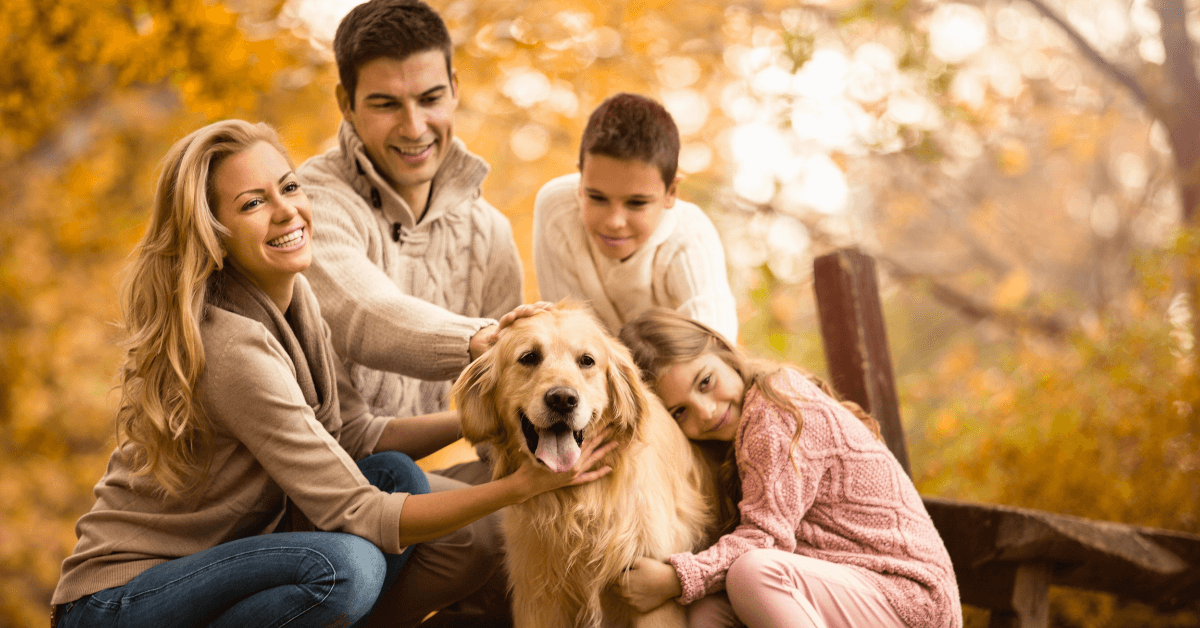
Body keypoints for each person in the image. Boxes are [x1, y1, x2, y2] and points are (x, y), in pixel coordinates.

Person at [49, 119, 615, 628]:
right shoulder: (230, 347)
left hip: (224, 565)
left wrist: (492, 406)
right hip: (120, 601)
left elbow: (352, 437)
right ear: (213, 232)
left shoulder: (293, 301)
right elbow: (358, 513)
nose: (286, 211)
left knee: (392, 472)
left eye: (289, 187)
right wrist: (518, 486)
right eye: (251, 204)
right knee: (342, 567)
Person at [296, 0, 532, 622]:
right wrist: (487, 342)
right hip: (319, 482)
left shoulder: (489, 233)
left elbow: (509, 410)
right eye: (384, 104)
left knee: (552, 516)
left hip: (418, 472)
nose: (414, 125)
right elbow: (361, 311)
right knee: (482, 531)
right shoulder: (309, 203)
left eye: (430, 97)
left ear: (455, 90)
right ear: (345, 103)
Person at [616, 308, 962, 628]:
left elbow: (765, 540)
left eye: (705, 382)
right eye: (680, 412)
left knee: (751, 573)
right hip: (853, 590)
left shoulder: (774, 410)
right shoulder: (733, 442)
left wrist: (676, 579)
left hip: (912, 599)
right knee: (707, 611)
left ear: (722, 350)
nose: (705, 411)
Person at [533, 93, 739, 344]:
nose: (614, 221)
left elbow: (714, 351)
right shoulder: (556, 209)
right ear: (581, 179)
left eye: (636, 203)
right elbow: (567, 337)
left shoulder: (690, 238)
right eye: (597, 198)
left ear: (671, 192)